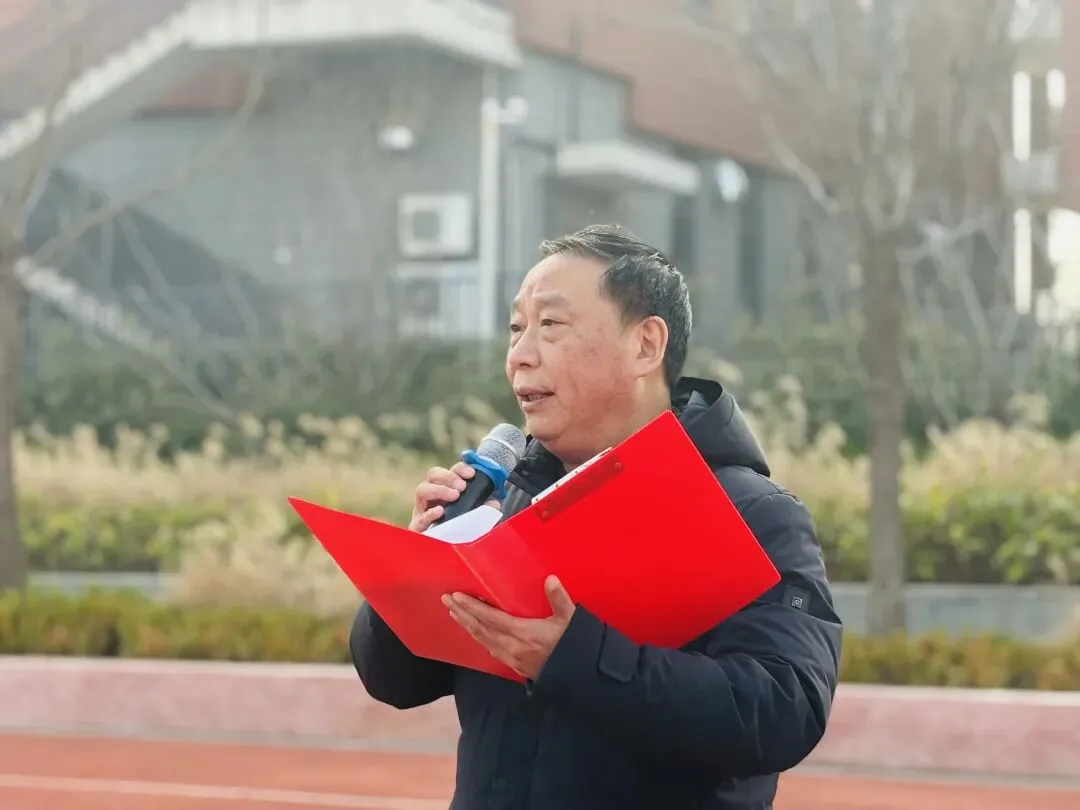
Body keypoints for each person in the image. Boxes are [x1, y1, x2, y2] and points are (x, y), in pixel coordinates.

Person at [350, 224, 843, 809]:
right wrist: (416, 567)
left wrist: (574, 658)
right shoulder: (499, 505)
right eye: (516, 328)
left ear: (645, 346)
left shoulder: (755, 514)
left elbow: (783, 708)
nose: (520, 355)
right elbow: (395, 682)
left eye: (550, 325)